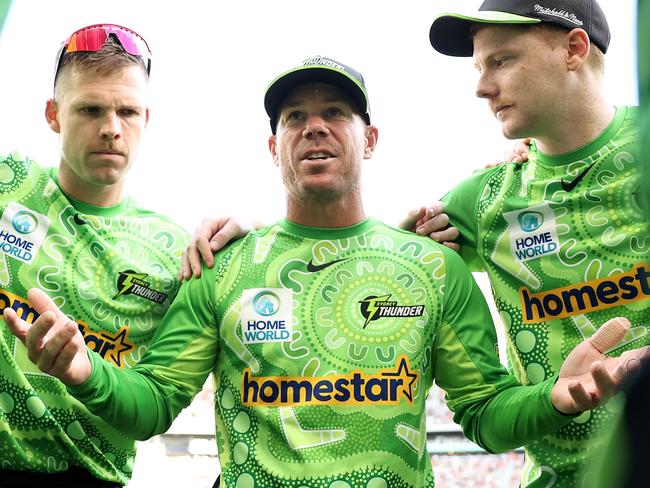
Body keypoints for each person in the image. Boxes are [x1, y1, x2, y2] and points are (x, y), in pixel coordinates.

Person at [5, 56, 646, 487]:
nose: (315, 127)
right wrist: (85, 372)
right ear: (273, 146)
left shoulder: (432, 267)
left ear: (369, 139)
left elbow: (486, 413)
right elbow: (149, 405)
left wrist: (552, 400)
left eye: (336, 113)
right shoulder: (223, 269)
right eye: (294, 119)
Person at [414, 1, 649, 486]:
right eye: (479, 67)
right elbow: (356, 255)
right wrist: (237, 236)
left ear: (573, 49)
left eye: (501, 60)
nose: (481, 87)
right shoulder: (481, 201)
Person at [0, 24, 191, 487]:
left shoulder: (179, 252)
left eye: (127, 111)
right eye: (90, 109)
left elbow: (157, 405)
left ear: (147, 118)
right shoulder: (9, 184)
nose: (111, 128)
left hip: (89, 477)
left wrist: (85, 374)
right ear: (53, 114)